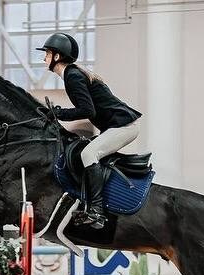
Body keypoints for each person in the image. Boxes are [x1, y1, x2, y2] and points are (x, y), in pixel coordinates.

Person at [36, 32, 142, 230]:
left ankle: (97, 212)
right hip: (117, 126)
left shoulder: (72, 76)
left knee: (89, 153)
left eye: (47, 53)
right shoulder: (73, 73)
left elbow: (87, 110)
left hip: (122, 126)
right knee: (84, 151)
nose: (44, 57)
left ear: (57, 56)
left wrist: (58, 113)